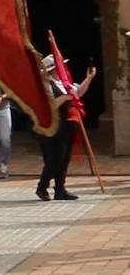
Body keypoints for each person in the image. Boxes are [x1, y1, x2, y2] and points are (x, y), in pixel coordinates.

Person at [35, 55, 95, 202]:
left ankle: (60, 189)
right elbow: (51, 105)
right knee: (54, 159)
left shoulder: (64, 82)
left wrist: (89, 78)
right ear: (52, 69)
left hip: (67, 126)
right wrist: (66, 97)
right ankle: (42, 187)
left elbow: (78, 92)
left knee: (64, 158)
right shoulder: (46, 84)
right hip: (53, 126)